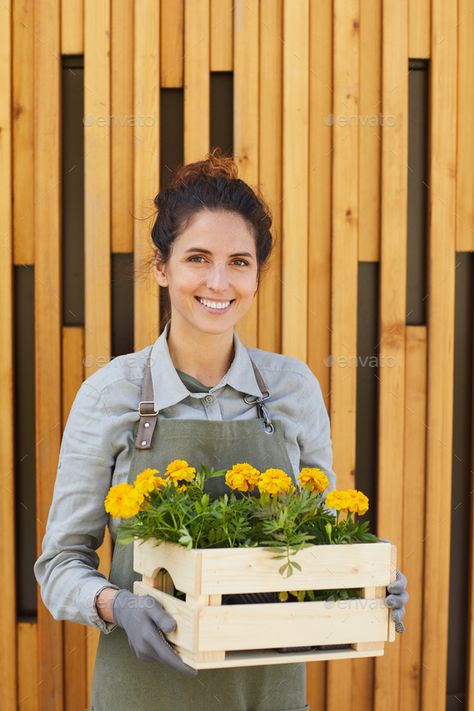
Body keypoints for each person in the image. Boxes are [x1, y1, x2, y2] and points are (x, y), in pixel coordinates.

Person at [34, 149, 409, 711]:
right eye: (197, 258)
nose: (218, 281)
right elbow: (60, 564)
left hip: (268, 693)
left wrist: (366, 577)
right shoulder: (111, 394)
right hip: (142, 692)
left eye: (238, 261)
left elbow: (319, 536)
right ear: (162, 268)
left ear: (258, 273)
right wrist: (119, 605)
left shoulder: (293, 388)